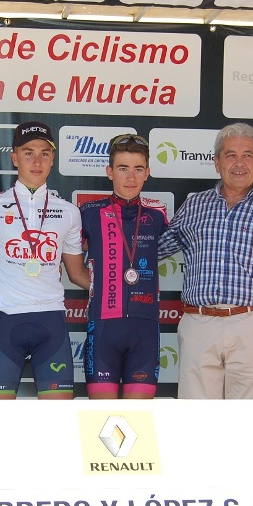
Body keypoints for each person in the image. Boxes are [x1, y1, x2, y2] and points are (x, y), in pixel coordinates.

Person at [156, 122, 253, 399]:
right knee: (195, 416)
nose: (239, 163)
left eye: (248, 155)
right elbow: (155, 249)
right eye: (230, 155)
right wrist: (108, 244)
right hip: (199, 324)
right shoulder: (195, 205)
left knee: (249, 417)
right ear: (217, 162)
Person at [0, 121, 89, 399]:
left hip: (51, 322)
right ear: (14, 157)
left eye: (44, 153)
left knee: (57, 420)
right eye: (28, 153)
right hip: (6, 320)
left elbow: (77, 273)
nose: (37, 161)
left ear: (53, 159)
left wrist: (118, 289)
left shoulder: (69, 212)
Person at [80, 134, 168, 399]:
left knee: (137, 418)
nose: (131, 177)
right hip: (103, 327)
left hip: (145, 329)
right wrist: (100, 284)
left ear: (147, 173)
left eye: (138, 169)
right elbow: (68, 261)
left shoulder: (158, 214)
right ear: (109, 172)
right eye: (123, 168)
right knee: (101, 417)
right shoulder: (88, 212)